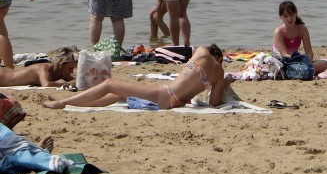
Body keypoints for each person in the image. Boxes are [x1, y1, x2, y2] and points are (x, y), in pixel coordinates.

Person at [43, 45, 229, 109]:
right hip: (174, 101)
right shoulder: (219, 75)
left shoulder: (202, 51)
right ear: (219, 58)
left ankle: (61, 103)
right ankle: (73, 103)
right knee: (119, 96)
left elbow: (187, 70)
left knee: (109, 84)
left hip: (164, 95)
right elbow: (213, 103)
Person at [272, 1, 327, 75]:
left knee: (324, 64)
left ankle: (306, 70)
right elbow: (284, 54)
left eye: (292, 15)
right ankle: (305, 71)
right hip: (283, 62)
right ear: (280, 17)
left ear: (296, 14)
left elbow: (308, 51)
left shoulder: (302, 29)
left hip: (296, 59)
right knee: (302, 69)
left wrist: (308, 62)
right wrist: (300, 63)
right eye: (285, 16)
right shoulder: (279, 32)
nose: (289, 18)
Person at [0, 47, 77, 87]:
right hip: (3, 76)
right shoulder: (44, 68)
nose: (72, 72)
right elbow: (46, 85)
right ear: (61, 65)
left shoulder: (61, 72)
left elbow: (75, 81)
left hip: (7, 71)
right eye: (70, 68)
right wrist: (69, 84)